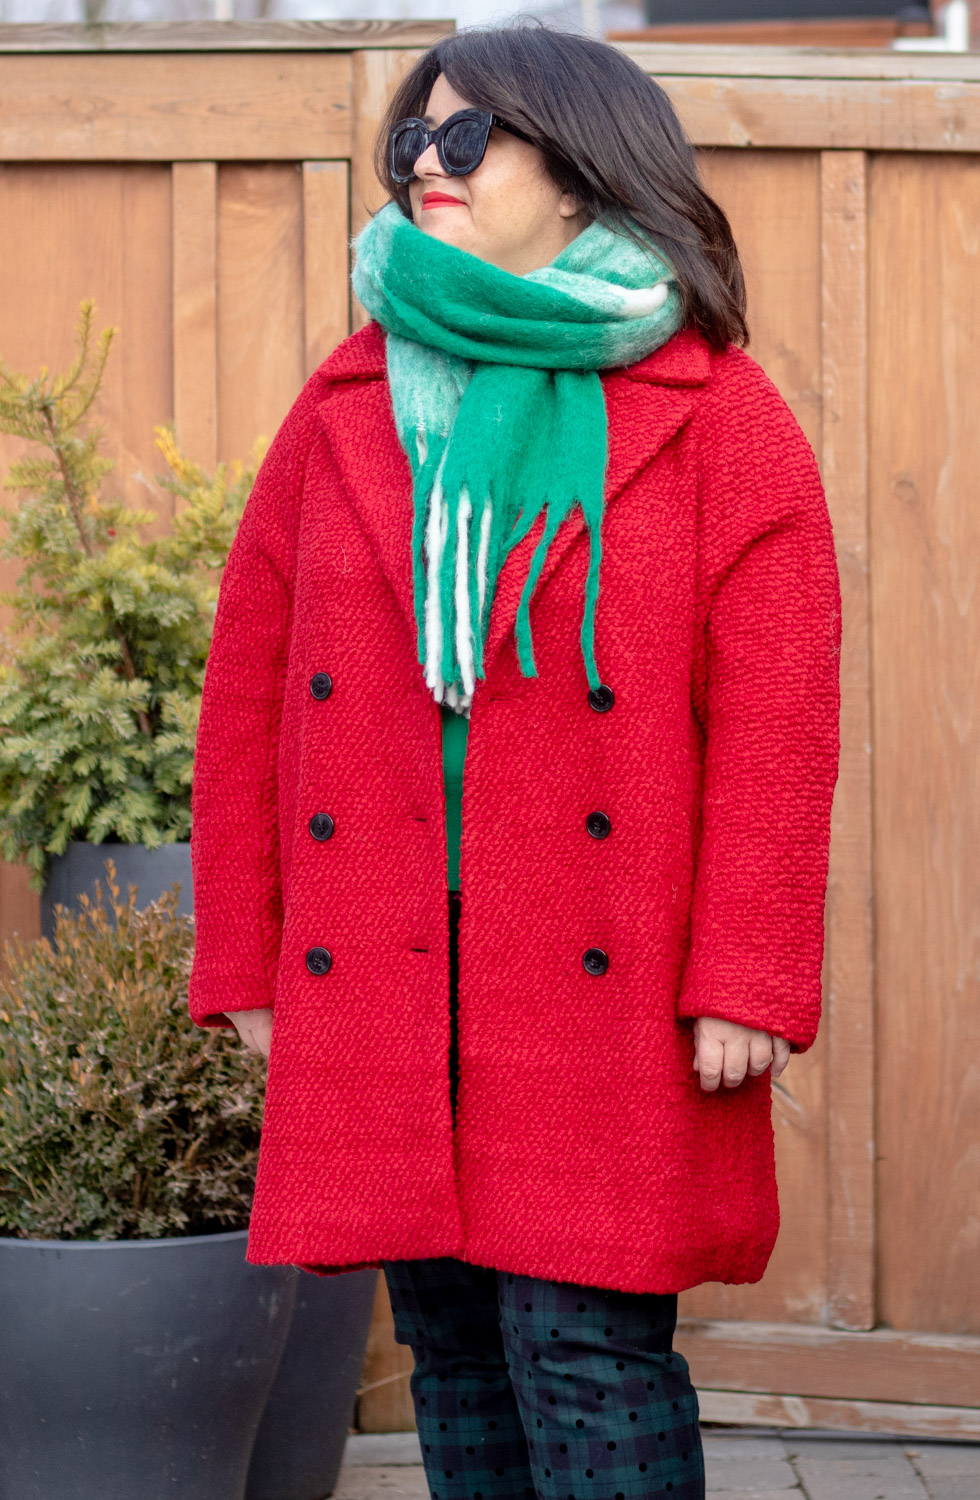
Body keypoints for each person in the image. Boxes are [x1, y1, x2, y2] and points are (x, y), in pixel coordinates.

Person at [188, 24, 841, 1500]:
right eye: (414, 133)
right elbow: (247, 702)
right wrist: (248, 958)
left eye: (471, 136)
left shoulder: (719, 418)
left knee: (584, 1349)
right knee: (455, 1348)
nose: (428, 158)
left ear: (583, 164)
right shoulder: (346, 404)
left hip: (603, 970)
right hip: (392, 973)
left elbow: (780, 722)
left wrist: (748, 970)